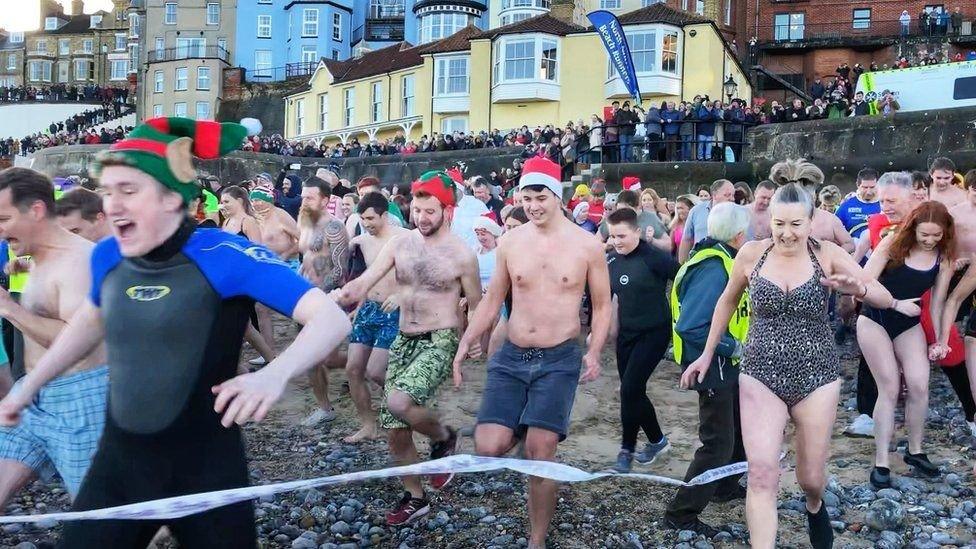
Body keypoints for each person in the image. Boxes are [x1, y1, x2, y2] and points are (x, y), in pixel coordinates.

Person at [0, 119, 352, 547]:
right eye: (108, 192)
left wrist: (272, 375)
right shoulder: (109, 255)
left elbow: (332, 320)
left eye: (128, 190)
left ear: (171, 196)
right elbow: (90, 321)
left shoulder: (226, 255)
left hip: (206, 471)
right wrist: (30, 385)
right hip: (119, 464)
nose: (112, 205)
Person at [681, 168, 896, 549]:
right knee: (763, 475)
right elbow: (726, 302)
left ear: (811, 222)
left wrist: (856, 287)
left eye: (796, 224)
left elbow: (879, 295)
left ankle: (814, 505)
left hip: (818, 375)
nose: (786, 233)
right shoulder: (751, 253)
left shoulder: (827, 254)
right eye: (779, 223)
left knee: (811, 476)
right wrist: (706, 353)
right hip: (760, 371)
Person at [452, 156, 611, 549]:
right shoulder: (510, 242)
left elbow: (604, 305)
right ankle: (526, 425)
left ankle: (536, 540)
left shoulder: (587, 245)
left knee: (541, 454)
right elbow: (493, 300)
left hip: (558, 357)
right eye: (526, 198)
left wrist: (595, 350)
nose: (533, 206)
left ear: (557, 196)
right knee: (488, 447)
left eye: (541, 197)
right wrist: (467, 340)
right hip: (513, 354)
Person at [336, 170, 482, 526]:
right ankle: (415, 497)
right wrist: (343, 295)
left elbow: (477, 303)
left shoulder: (462, 254)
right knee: (394, 427)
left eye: (430, 211)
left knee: (398, 402)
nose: (422, 218)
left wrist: (473, 341)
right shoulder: (400, 243)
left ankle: (444, 437)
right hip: (403, 337)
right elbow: (367, 280)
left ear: (447, 210)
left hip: (440, 337)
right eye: (417, 210)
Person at [0, 168, 108, 506]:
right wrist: (22, 268)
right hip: (32, 395)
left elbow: (79, 340)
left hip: (82, 398)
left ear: (35, 211)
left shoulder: (80, 261)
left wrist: (10, 309)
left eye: (4, 218)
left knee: (102, 517)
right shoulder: (38, 256)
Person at [665, 202, 751, 536]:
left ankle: (725, 487)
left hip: (724, 363)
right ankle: (680, 513)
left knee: (738, 431)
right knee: (717, 443)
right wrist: (735, 346)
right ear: (739, 234)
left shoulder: (720, 258)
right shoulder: (715, 268)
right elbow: (693, 326)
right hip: (712, 363)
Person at [859, 201, 954, 487]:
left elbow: (937, 303)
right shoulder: (892, 244)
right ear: (913, 228)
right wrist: (895, 303)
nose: (929, 240)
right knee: (888, 386)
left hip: (909, 322)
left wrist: (940, 339)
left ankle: (915, 450)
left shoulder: (944, 257)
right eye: (925, 234)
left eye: (936, 236)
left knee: (919, 384)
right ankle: (882, 462)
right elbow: (864, 284)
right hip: (875, 317)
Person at [605, 208, 678, 473]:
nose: (616, 241)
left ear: (637, 232)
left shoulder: (655, 258)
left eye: (621, 235)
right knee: (633, 391)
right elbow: (606, 299)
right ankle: (658, 441)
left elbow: (684, 280)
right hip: (627, 334)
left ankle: (627, 449)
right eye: (612, 236)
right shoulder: (611, 260)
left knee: (629, 390)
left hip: (654, 333)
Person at [343, 192, 408, 444]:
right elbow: (365, 276)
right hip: (369, 307)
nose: (367, 223)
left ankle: (406, 407)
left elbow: (424, 274)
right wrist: (359, 304)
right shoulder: (361, 241)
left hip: (393, 310)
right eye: (362, 218)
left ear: (384, 214)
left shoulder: (404, 238)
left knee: (377, 371)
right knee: (353, 368)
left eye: (371, 218)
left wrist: (403, 294)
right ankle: (368, 425)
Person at [298, 175, 350, 426]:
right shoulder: (307, 223)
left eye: (309, 197)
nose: (304, 201)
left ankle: (367, 365)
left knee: (327, 359)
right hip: (304, 297)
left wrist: (318, 292)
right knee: (311, 357)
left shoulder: (335, 227)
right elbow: (307, 259)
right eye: (303, 196)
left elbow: (340, 270)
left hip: (326, 299)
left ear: (325, 200)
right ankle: (325, 408)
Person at [220, 186, 277, 369]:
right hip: (228, 280)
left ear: (240, 201)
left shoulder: (248, 221)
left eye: (227, 201)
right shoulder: (227, 222)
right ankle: (267, 362)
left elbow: (258, 252)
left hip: (244, 280)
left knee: (243, 326)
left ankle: (269, 362)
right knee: (244, 327)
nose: (223, 205)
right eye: (222, 201)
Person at [768, 160, 855, 253]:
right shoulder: (775, 217)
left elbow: (849, 244)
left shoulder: (830, 220)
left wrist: (829, 258)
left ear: (814, 195)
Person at [679, 179, 735, 263]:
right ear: (714, 195)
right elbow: (687, 239)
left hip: (726, 264)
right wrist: (682, 265)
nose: (732, 199)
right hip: (699, 263)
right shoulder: (696, 211)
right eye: (727, 195)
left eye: (733, 195)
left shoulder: (737, 213)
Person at [599, 190, 671, 253]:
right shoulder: (613, 219)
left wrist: (652, 240)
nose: (622, 215)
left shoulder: (650, 218)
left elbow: (668, 246)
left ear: (637, 207)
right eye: (620, 210)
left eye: (626, 211)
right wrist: (607, 246)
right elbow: (594, 243)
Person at [251, 182, 300, 271]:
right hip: (265, 265)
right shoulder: (254, 218)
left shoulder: (281, 216)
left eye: (257, 200)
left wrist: (286, 255)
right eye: (252, 201)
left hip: (287, 264)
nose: (254, 204)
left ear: (268, 200)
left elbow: (302, 239)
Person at [835, 168, 880, 243]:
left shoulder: (886, 204)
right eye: (865, 187)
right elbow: (834, 229)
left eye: (872, 187)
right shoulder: (847, 205)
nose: (869, 192)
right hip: (854, 251)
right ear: (858, 185)